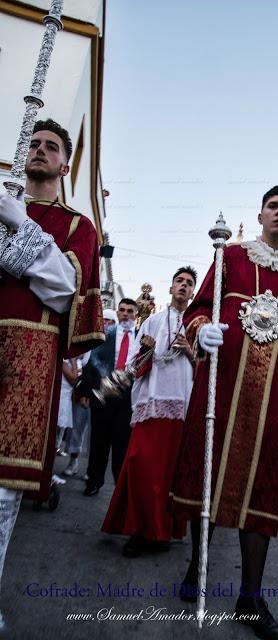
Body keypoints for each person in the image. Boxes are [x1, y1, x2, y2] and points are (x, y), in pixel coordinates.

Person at [171, 186, 278, 640]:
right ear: (259, 214)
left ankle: (250, 597)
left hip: (274, 401)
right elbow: (198, 308)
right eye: (273, 206)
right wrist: (202, 331)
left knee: (261, 488)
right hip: (221, 390)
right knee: (208, 477)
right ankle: (198, 565)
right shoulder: (231, 259)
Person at [0, 119, 104, 624]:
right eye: (33, 145)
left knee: (1, 492)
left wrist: (20, 227)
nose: (41, 151)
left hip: (27, 357)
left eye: (51, 147)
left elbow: (65, 290)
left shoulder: (80, 227)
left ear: (66, 164)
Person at [102, 267, 197, 556]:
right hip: (151, 403)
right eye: (179, 281)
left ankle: (161, 533)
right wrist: (146, 351)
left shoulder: (197, 326)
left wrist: (190, 350)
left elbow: (210, 370)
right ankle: (140, 528)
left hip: (181, 406)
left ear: (193, 293)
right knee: (139, 463)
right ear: (170, 289)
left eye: (189, 283)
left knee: (169, 473)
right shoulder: (153, 321)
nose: (183, 286)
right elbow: (134, 366)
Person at [80, 298, 139, 496]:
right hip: (103, 396)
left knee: (122, 445)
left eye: (130, 311)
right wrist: (86, 392)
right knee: (98, 442)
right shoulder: (105, 335)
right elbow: (90, 363)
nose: (125, 314)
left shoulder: (141, 338)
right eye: (122, 310)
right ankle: (93, 481)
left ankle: (120, 489)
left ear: (136, 315)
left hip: (128, 399)